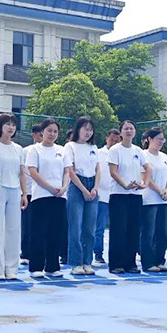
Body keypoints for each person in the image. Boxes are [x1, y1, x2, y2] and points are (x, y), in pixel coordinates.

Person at [0, 113, 27, 280]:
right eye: (7, 124)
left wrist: (24, 193)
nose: (11, 127)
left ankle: (11, 268)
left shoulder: (19, 149)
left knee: (14, 230)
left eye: (13, 124)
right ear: (0, 126)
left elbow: (22, 173)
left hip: (15, 191)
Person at [25, 118, 69, 278]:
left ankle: (52, 266)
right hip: (41, 196)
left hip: (59, 197)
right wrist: (49, 187)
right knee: (38, 232)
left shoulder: (62, 150)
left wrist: (63, 188)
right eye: (49, 130)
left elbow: (67, 171)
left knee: (55, 232)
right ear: (42, 132)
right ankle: (36, 266)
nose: (52, 134)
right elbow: (33, 172)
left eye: (55, 131)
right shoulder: (34, 150)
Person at [107, 120, 147, 274]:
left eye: (131, 128)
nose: (129, 131)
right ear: (121, 132)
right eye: (126, 128)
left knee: (133, 229)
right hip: (119, 194)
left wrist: (144, 183)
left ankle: (130, 263)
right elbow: (113, 171)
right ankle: (116, 264)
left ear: (135, 131)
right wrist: (124, 185)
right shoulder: (115, 150)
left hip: (135, 195)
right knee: (119, 229)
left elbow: (148, 168)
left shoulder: (138, 150)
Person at [64, 116, 100, 276]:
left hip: (93, 186)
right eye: (85, 129)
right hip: (77, 186)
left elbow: (98, 169)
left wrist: (95, 188)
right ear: (78, 129)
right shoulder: (70, 146)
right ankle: (76, 262)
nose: (88, 132)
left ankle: (87, 261)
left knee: (90, 228)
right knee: (76, 227)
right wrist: (84, 190)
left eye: (91, 129)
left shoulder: (94, 147)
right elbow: (70, 171)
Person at [139, 127, 167, 272]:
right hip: (149, 199)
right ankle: (148, 262)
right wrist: (159, 190)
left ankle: (160, 260)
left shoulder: (165, 157)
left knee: (164, 233)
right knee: (148, 233)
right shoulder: (144, 155)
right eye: (158, 139)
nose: (161, 142)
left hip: (164, 200)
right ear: (150, 139)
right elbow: (145, 177)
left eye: (163, 139)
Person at [93, 129, 120, 266]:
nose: (114, 142)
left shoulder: (120, 153)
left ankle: (117, 254)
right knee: (99, 227)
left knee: (117, 227)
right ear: (106, 138)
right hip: (101, 195)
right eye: (112, 140)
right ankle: (98, 253)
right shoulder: (98, 153)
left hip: (117, 195)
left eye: (117, 140)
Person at [20, 124, 43, 265]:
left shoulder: (53, 150)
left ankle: (40, 253)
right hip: (28, 192)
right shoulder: (26, 151)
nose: (42, 136)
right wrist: (23, 192)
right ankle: (26, 253)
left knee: (41, 225)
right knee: (27, 225)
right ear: (34, 135)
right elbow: (21, 171)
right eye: (40, 134)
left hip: (42, 193)